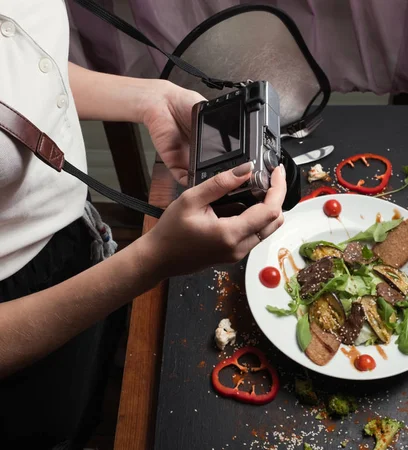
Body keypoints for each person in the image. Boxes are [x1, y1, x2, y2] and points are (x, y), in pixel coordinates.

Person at [0, 1, 286, 448]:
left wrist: (147, 98)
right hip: (13, 321)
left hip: (81, 238)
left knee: (98, 388)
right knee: (57, 429)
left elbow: (22, 68)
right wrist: (150, 262)